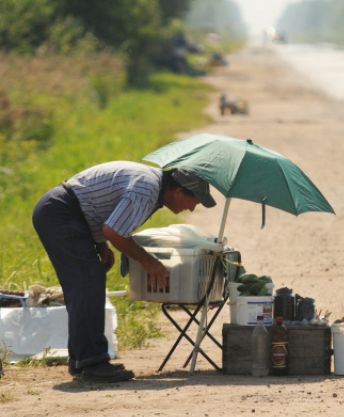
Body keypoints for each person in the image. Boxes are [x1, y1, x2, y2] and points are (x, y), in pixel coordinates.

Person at [32, 161, 216, 383]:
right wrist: (150, 262)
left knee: (86, 284)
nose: (192, 208)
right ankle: (92, 363)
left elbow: (104, 215)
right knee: (86, 284)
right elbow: (114, 231)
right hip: (61, 213)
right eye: (193, 201)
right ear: (178, 191)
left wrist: (101, 245)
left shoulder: (153, 186)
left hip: (67, 213)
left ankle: (83, 361)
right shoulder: (146, 189)